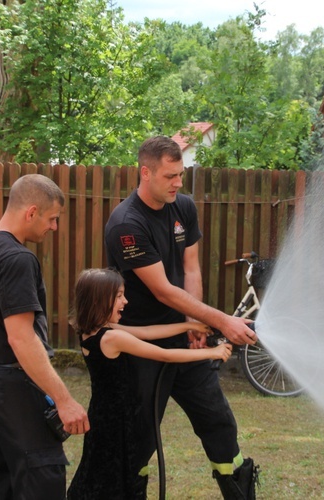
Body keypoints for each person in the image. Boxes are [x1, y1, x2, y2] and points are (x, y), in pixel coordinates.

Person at [104, 136, 260, 499]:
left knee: (218, 420)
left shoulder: (183, 208)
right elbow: (162, 290)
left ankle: (239, 491)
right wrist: (223, 321)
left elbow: (190, 269)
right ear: (145, 172)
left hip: (185, 335)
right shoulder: (126, 224)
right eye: (170, 176)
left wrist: (199, 326)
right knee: (139, 437)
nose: (178, 183)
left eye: (181, 175)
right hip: (139, 344)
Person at [0, 173, 89, 499]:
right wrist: (63, 400)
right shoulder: (17, 258)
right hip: (14, 388)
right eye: (52, 219)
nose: (54, 228)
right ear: (31, 212)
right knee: (41, 478)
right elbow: (22, 338)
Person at [67, 268, 232, 499]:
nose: (125, 301)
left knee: (99, 472)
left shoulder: (93, 332)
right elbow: (165, 355)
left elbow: (145, 331)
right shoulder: (112, 337)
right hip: (117, 421)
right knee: (112, 479)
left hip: (103, 416)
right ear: (98, 299)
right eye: (119, 296)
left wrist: (188, 326)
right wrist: (211, 353)